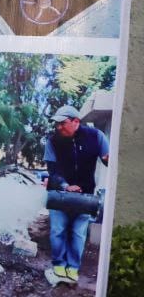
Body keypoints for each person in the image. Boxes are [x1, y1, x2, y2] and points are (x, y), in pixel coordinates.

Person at [45, 106, 110, 284]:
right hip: (59, 194)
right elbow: (52, 170)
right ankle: (59, 265)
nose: (58, 127)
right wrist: (65, 186)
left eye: (62, 123)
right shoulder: (52, 141)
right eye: (57, 124)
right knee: (57, 230)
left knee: (78, 233)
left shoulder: (96, 136)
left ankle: (73, 268)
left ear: (76, 121)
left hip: (85, 196)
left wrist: (110, 160)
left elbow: (109, 160)